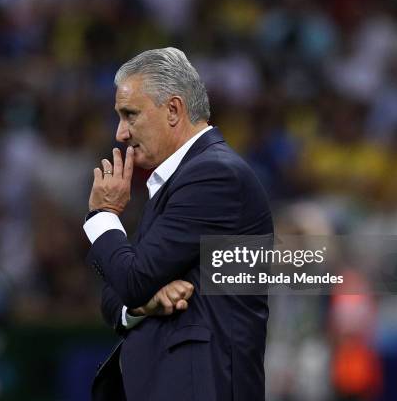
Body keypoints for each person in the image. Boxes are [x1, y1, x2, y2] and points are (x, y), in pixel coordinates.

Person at [83, 47, 273, 401]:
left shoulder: (214, 175)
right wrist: (143, 304)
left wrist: (103, 215)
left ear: (173, 110)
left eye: (130, 115)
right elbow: (116, 296)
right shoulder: (181, 181)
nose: (121, 133)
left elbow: (132, 278)